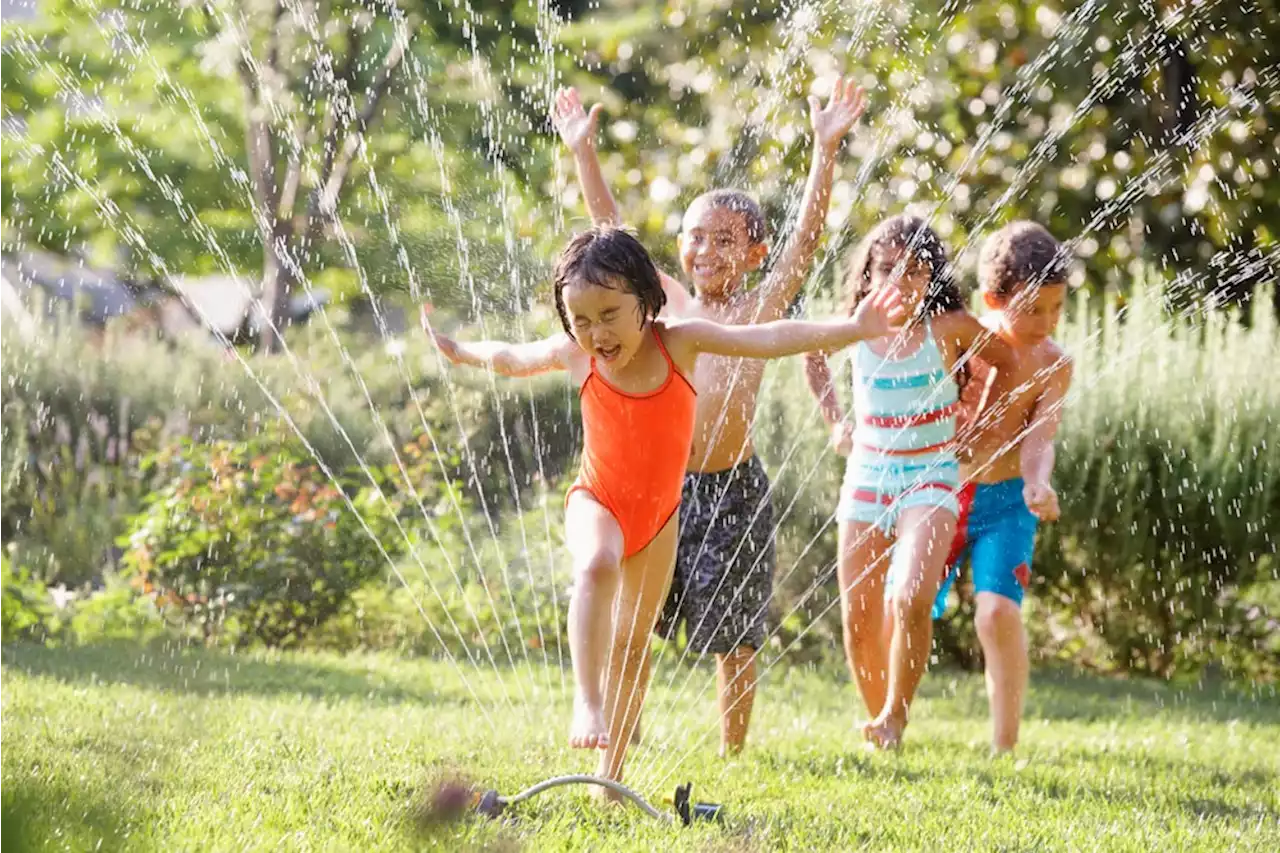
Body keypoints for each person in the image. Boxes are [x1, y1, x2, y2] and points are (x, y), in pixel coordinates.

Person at [425, 226, 903, 792]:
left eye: (609, 314)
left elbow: (771, 336)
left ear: (646, 300)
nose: (596, 333)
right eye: (581, 320)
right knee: (597, 562)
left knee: (632, 644)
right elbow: (510, 357)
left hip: (659, 519)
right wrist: (461, 351)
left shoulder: (681, 342)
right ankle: (587, 701)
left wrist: (854, 328)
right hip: (596, 499)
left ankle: (610, 778)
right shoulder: (576, 355)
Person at [552, 76, 867, 755]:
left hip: (733, 486)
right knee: (632, 622)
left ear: (755, 253)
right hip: (656, 490)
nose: (705, 251)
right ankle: (619, 734)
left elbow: (807, 240)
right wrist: (584, 155)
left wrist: (825, 150)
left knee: (736, 628)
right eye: (695, 237)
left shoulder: (757, 309)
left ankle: (732, 750)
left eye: (726, 240)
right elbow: (609, 239)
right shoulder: (662, 305)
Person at [804, 214, 1018, 749]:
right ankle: (879, 722)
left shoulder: (949, 329)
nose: (902, 283)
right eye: (888, 270)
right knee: (858, 612)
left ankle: (897, 715)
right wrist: (836, 420)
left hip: (931, 477)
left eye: (917, 272)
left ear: (933, 278)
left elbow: (1008, 362)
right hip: (868, 476)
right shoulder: (855, 326)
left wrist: (982, 426)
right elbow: (811, 353)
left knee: (911, 597)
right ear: (869, 275)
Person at [932, 221, 1073, 754]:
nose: (1047, 322)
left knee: (997, 613)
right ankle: (889, 718)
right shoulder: (966, 343)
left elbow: (1041, 437)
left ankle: (1004, 745)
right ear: (994, 298)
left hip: (1007, 500)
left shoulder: (1054, 364)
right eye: (1034, 309)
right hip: (944, 492)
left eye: (1057, 309)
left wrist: (1038, 483)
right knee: (909, 604)